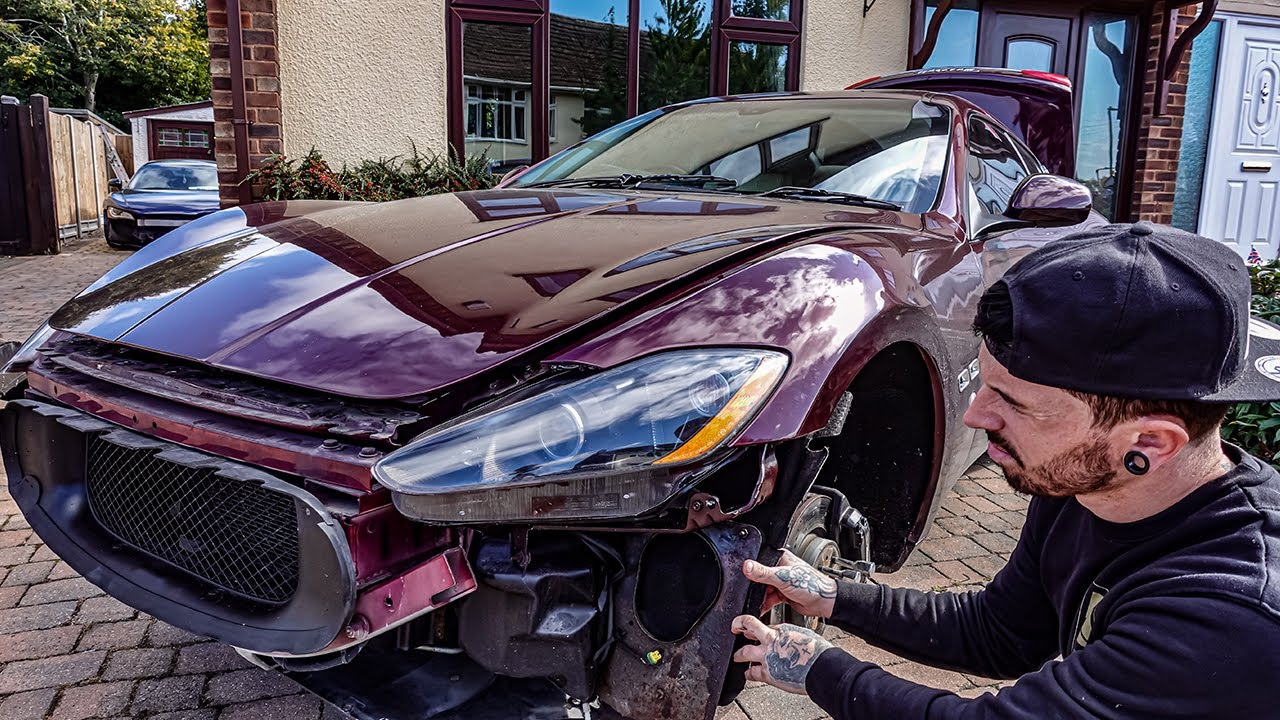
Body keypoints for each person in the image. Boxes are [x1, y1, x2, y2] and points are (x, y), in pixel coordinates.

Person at [731, 222, 1280, 718]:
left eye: (1013, 404)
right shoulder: (1084, 481)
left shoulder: (1228, 614)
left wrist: (823, 671)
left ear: (1149, 444)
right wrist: (833, 595)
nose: (974, 415)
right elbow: (1001, 631)